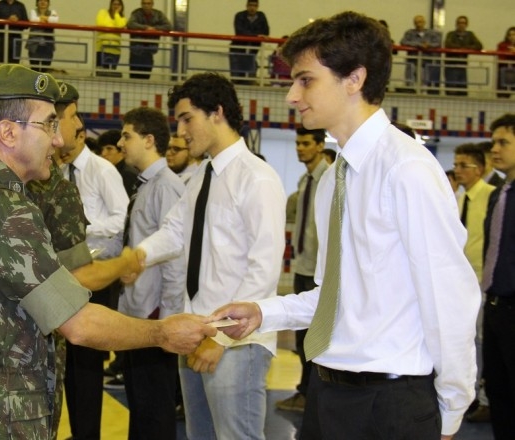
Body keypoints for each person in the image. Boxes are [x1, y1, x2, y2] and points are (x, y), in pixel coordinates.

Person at [0, 64, 216, 438]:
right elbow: (78, 324)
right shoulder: (2, 206)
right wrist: (163, 334)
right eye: (49, 124)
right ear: (7, 132)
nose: (58, 140)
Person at [212, 12, 480, 440]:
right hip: (329, 391)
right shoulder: (335, 180)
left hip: (392, 404)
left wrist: (451, 406)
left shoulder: (406, 168)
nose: (292, 96)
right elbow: (333, 297)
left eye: (305, 80)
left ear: (354, 79)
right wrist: (266, 312)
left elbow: (449, 296)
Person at [137, 72, 286, 439]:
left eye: (187, 118)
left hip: (236, 343)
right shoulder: (204, 174)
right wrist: (134, 258)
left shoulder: (257, 178)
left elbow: (263, 270)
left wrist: (220, 339)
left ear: (217, 112)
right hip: (196, 329)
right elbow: (174, 230)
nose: (181, 131)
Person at [52, 99, 130, 440]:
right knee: (65, 364)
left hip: (95, 272)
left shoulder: (102, 170)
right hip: (65, 275)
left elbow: (119, 218)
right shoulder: (56, 171)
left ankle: (89, 434)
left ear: (80, 134)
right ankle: (78, 430)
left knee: (86, 365)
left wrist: (81, 232)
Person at [116, 106, 185, 440]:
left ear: (149, 139)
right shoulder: (145, 185)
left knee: (155, 409)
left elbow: (175, 257)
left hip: (154, 314)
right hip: (136, 309)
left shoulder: (167, 187)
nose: (121, 142)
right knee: (140, 406)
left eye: (127, 135)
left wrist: (169, 320)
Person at [275, 128, 328, 413]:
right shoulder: (305, 180)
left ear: (320, 146)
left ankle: (312, 394)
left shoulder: (329, 179)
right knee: (301, 335)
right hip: (303, 264)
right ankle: (304, 391)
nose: (299, 148)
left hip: (319, 269)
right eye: (297, 143)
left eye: (306, 143)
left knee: (315, 335)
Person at [453, 144, 496, 425]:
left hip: (483, 281)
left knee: (481, 342)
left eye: (463, 166)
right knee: (463, 340)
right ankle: (464, 396)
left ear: (479, 170)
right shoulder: (458, 198)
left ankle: (483, 399)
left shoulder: (491, 197)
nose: (457, 170)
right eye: (456, 165)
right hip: (460, 281)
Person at [482, 113, 515, 440]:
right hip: (493, 308)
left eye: (503, 142)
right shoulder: (497, 194)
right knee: (497, 391)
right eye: (493, 142)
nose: (495, 149)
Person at [127, 0, 172, 80]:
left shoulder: (158, 14)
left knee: (146, 77)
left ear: (152, 4)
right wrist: (146, 28)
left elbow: (168, 26)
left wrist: (155, 29)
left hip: (149, 50)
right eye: (144, 3)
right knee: (134, 77)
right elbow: (130, 24)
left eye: (148, 3)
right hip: (136, 50)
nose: (146, 5)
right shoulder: (136, 13)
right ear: (141, 4)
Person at [230, 0, 270, 85]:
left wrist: (255, 36)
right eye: (250, 5)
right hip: (238, 49)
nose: (252, 8)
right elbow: (240, 32)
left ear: (257, 7)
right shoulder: (239, 15)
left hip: (252, 49)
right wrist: (256, 36)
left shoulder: (261, 16)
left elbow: (265, 32)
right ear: (246, 6)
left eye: (255, 6)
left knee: (250, 70)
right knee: (237, 74)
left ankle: (248, 83)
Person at [399, 14, 442, 93]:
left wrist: (428, 45)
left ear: (424, 22)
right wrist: (418, 45)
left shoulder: (431, 33)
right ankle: (410, 89)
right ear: (414, 23)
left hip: (426, 61)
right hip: (413, 60)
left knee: (425, 79)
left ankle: (425, 90)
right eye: (417, 22)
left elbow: (438, 43)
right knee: (410, 75)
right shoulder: (409, 33)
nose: (419, 24)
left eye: (420, 22)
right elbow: (403, 42)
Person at [444, 15, 483, 96]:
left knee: (462, 90)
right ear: (456, 24)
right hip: (451, 65)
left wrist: (465, 48)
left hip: (462, 65)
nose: (461, 25)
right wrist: (464, 48)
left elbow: (479, 45)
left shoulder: (470, 35)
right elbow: (448, 44)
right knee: (451, 89)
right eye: (459, 23)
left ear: (466, 24)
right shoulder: (451, 34)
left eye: (463, 23)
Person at [99, 129, 139, 196]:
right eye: (102, 149)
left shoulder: (128, 174)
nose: (103, 153)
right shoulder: (106, 171)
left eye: (109, 149)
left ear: (121, 151)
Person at [95, 0, 127, 75]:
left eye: (118, 4)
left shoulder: (122, 18)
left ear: (121, 6)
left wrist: (116, 14)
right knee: (101, 72)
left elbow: (119, 25)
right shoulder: (103, 12)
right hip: (102, 47)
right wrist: (114, 27)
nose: (116, 6)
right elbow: (100, 23)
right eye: (114, 4)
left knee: (112, 72)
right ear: (111, 5)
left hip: (115, 49)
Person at [27, 0, 58, 72]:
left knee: (45, 69)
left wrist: (41, 18)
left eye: (45, 1)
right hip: (34, 44)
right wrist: (47, 19)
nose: (43, 2)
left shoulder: (53, 12)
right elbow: (32, 19)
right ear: (37, 2)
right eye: (40, 0)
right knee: (34, 69)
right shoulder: (33, 11)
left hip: (48, 44)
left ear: (48, 3)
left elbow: (55, 20)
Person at [496, 27, 515, 98]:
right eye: (510, 35)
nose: (512, 37)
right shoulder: (502, 45)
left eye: (513, 34)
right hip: (505, 70)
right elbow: (501, 57)